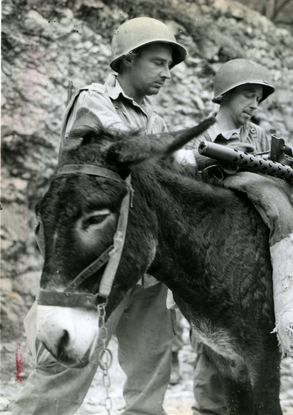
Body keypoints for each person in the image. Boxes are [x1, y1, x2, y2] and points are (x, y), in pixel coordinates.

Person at [11, 17, 187, 415]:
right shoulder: (93, 101)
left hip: (144, 257)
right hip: (100, 258)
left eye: (169, 66)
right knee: (69, 363)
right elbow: (119, 152)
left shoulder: (153, 116)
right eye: (158, 62)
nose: (166, 73)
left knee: (151, 367)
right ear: (127, 60)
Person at [174, 58, 275, 415]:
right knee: (211, 352)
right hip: (208, 254)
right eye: (248, 95)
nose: (254, 104)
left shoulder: (260, 136)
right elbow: (177, 168)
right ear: (226, 95)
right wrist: (207, 161)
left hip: (249, 253)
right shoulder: (201, 134)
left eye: (259, 98)